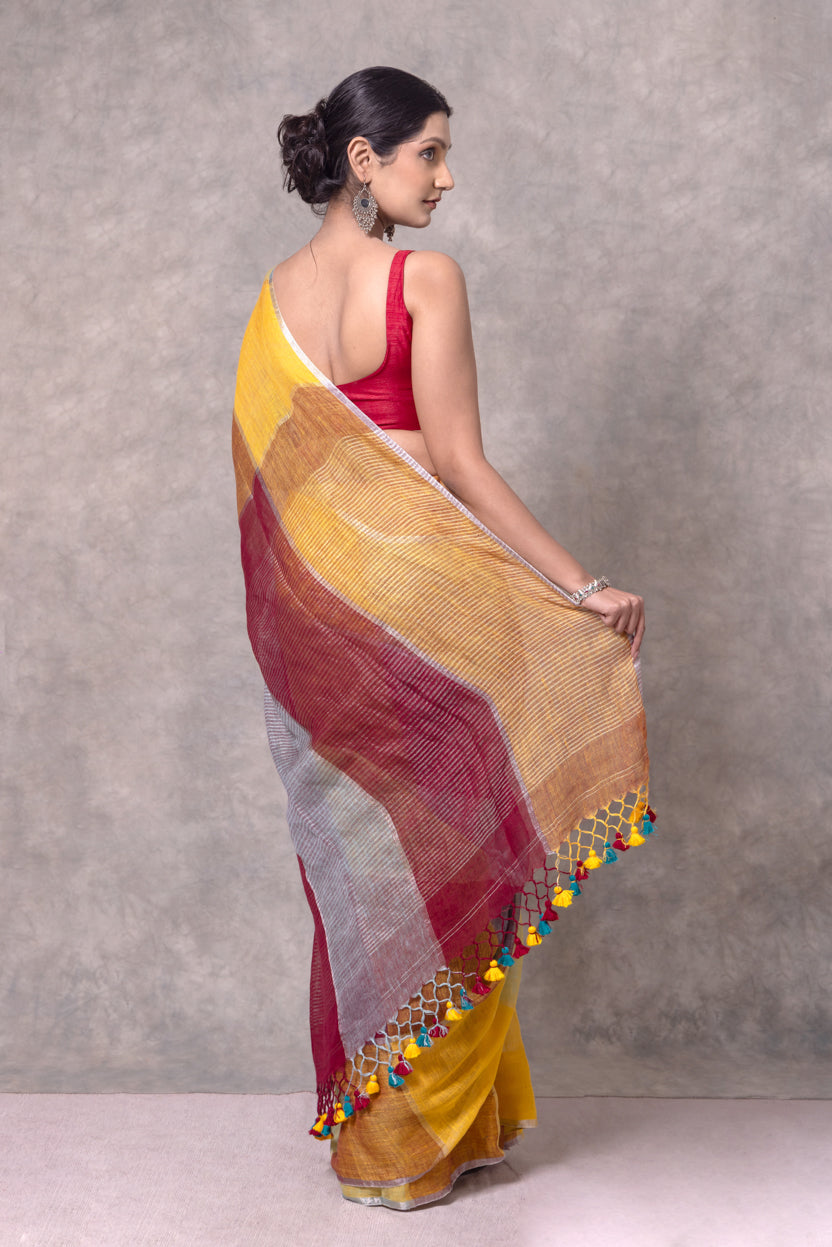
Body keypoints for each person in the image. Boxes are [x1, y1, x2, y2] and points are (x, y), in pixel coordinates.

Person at [233, 66, 653, 1211]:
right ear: (363, 162)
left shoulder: (272, 300)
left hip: (319, 631)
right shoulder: (425, 278)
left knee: (376, 868)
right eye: (428, 152)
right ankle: (424, 1141)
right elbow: (459, 463)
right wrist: (583, 584)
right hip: (422, 609)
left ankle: (414, 1133)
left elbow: (274, 502)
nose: (446, 175)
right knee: (453, 852)